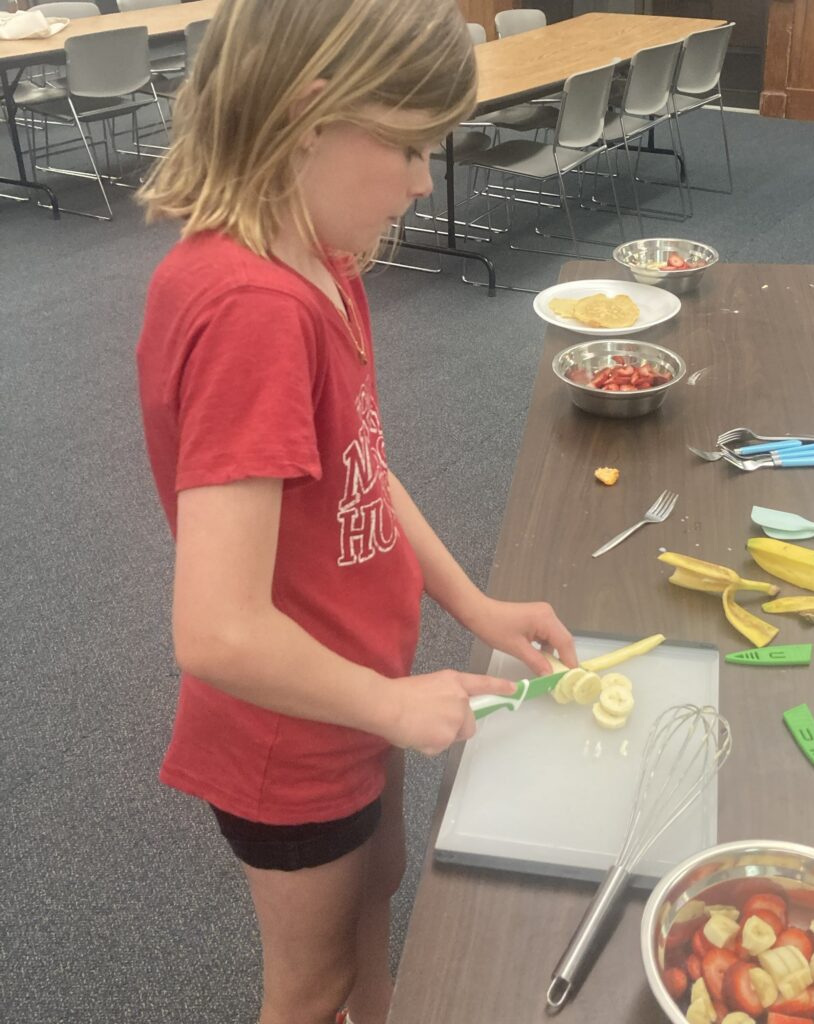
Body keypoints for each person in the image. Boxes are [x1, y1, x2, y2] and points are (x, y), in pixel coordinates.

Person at [134, 2, 577, 1023]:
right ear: (308, 116)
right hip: (293, 732)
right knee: (311, 985)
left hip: (358, 688)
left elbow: (363, 471)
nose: (425, 181)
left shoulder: (320, 258)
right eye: (411, 146)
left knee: (378, 890)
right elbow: (216, 630)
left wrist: (473, 607)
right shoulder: (252, 312)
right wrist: (386, 706)